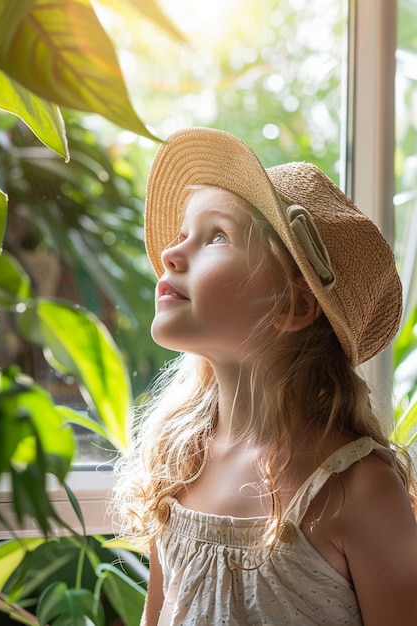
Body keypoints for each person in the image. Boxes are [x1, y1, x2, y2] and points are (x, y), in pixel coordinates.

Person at [113, 127, 417, 625]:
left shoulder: (357, 490)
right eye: (183, 232)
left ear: (295, 305)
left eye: (216, 236)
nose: (171, 253)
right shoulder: (180, 459)